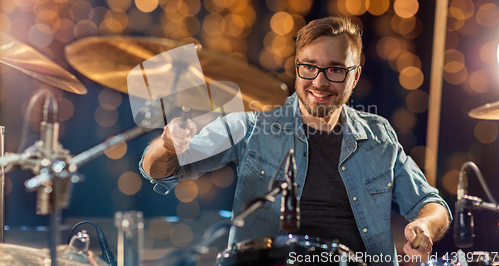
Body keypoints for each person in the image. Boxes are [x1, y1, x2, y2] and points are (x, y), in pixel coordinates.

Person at [140, 16, 451, 265]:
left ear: (355, 76)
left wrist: (424, 227)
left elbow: (432, 205)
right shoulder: (252, 124)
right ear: (296, 67)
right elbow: (160, 169)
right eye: (309, 67)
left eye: (335, 70)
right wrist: (168, 145)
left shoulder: (379, 135)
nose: (319, 81)